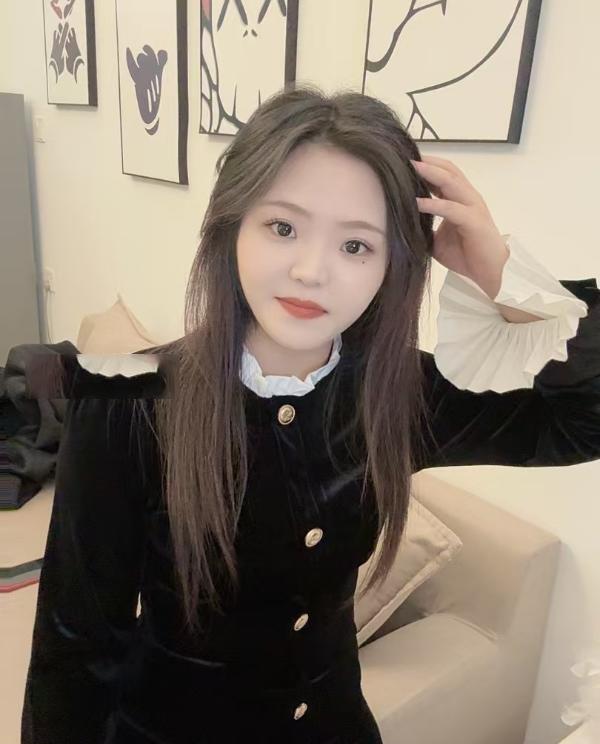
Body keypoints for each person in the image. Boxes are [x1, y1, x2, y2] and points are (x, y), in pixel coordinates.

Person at [21, 84, 600, 744]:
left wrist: (502, 273)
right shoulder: (125, 398)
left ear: (393, 265)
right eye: (283, 227)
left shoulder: (399, 391)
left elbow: (583, 420)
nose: (310, 271)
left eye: (356, 246)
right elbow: (75, 647)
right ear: (232, 226)